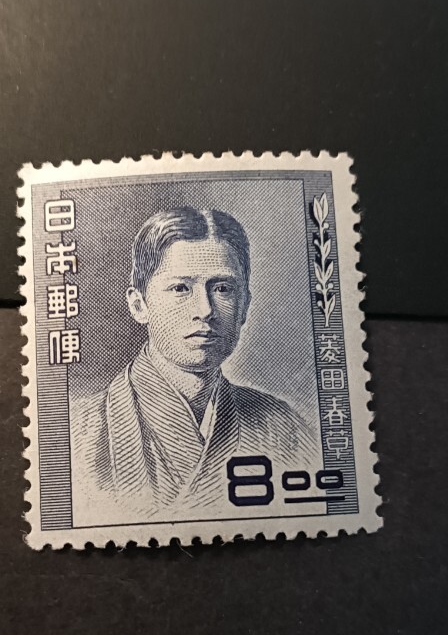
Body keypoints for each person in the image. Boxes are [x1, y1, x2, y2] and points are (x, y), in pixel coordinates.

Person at [71, 208, 312, 522]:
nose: (205, 309)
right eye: (180, 288)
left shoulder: (282, 427)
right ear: (139, 305)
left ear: (244, 306)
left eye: (222, 288)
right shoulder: (76, 432)